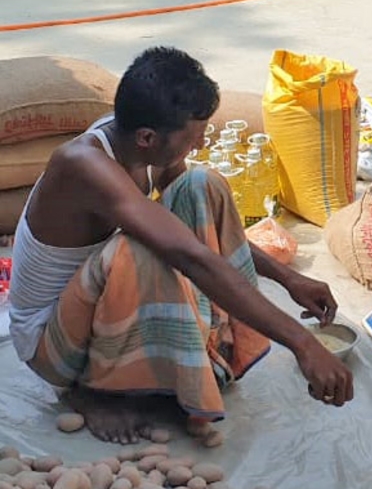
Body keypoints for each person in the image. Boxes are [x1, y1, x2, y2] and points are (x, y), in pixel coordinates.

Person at [8, 47, 354, 444]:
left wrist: (289, 279)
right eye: (194, 136)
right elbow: (188, 254)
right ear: (147, 138)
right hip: (51, 340)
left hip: (94, 308)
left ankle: (198, 348)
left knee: (203, 185)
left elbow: (193, 227)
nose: (202, 143)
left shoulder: (144, 146)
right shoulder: (84, 164)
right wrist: (302, 343)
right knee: (139, 250)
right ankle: (92, 390)